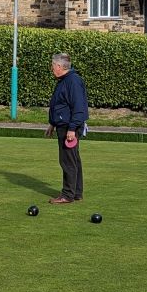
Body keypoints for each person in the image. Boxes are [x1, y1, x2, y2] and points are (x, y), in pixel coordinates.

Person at [47, 53, 88, 205]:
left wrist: (72, 128)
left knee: (67, 160)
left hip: (69, 127)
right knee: (73, 159)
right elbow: (60, 105)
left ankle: (67, 194)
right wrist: (52, 123)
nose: (52, 69)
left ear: (59, 66)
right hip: (63, 125)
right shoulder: (64, 81)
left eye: (53, 66)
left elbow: (79, 107)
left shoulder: (73, 81)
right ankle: (76, 193)